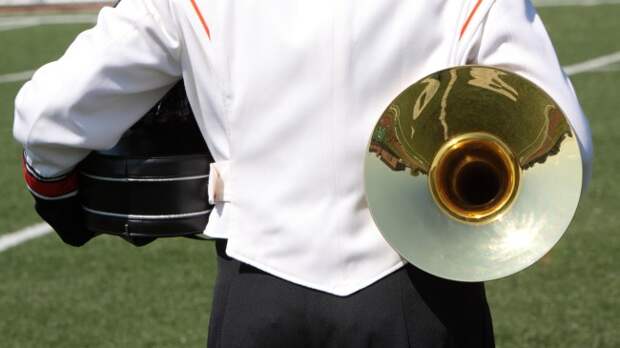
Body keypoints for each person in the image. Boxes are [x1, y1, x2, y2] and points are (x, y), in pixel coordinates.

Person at [13, 0, 593, 347]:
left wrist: (53, 185)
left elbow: (48, 116)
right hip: (422, 294)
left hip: (259, 294)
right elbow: (564, 141)